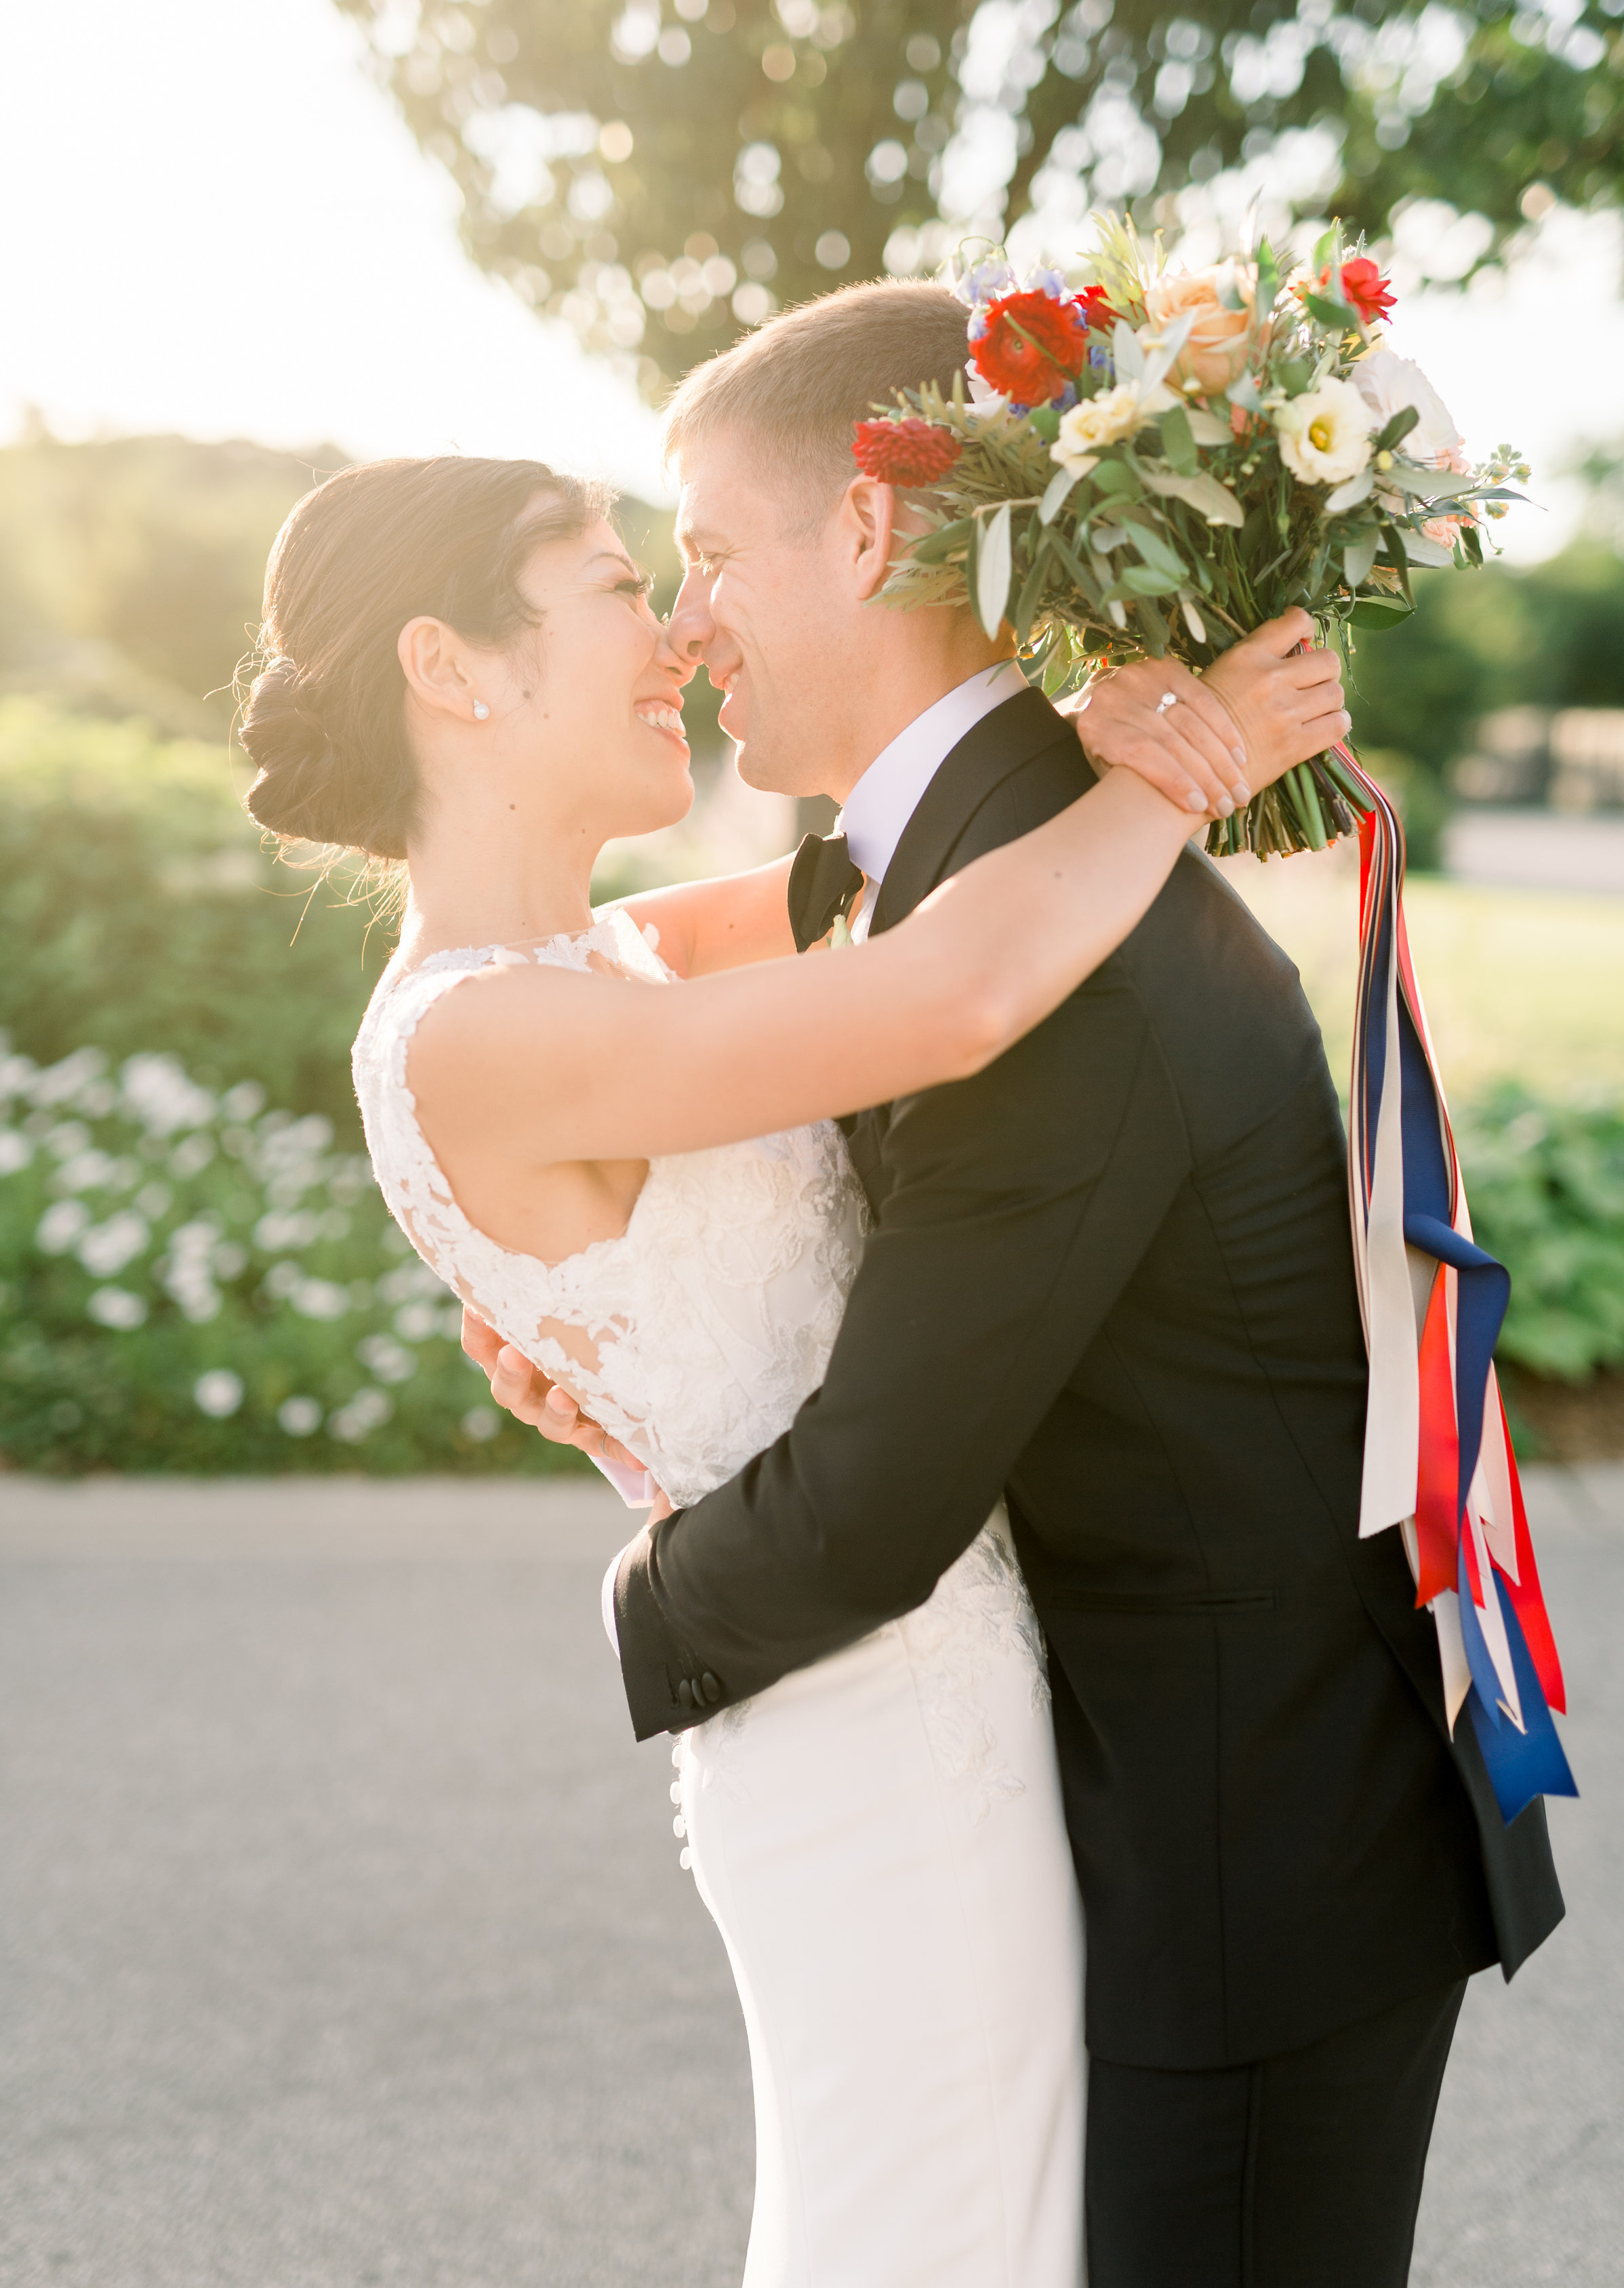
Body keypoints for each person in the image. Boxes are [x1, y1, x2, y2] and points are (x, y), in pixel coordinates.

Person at [469, 281, 1565, 2288]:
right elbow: (792, 982)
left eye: (706, 551)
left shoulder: (1044, 946)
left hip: (1242, 1874)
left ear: (870, 536)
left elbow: (878, 1501)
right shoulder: (988, 850)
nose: (685, 618)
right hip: (1140, 1815)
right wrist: (624, 1331)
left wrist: (637, 1591)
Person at [237, 432, 1346, 2288]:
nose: (672, 628)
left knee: (978, 2227)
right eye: (611, 585)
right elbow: (953, 992)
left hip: (940, 1683)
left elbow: (896, 877)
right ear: (454, 669)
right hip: (865, 1732)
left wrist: (1086, 724)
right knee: (931, 2236)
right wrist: (1184, 764)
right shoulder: (468, 1036)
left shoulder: (598, 959)